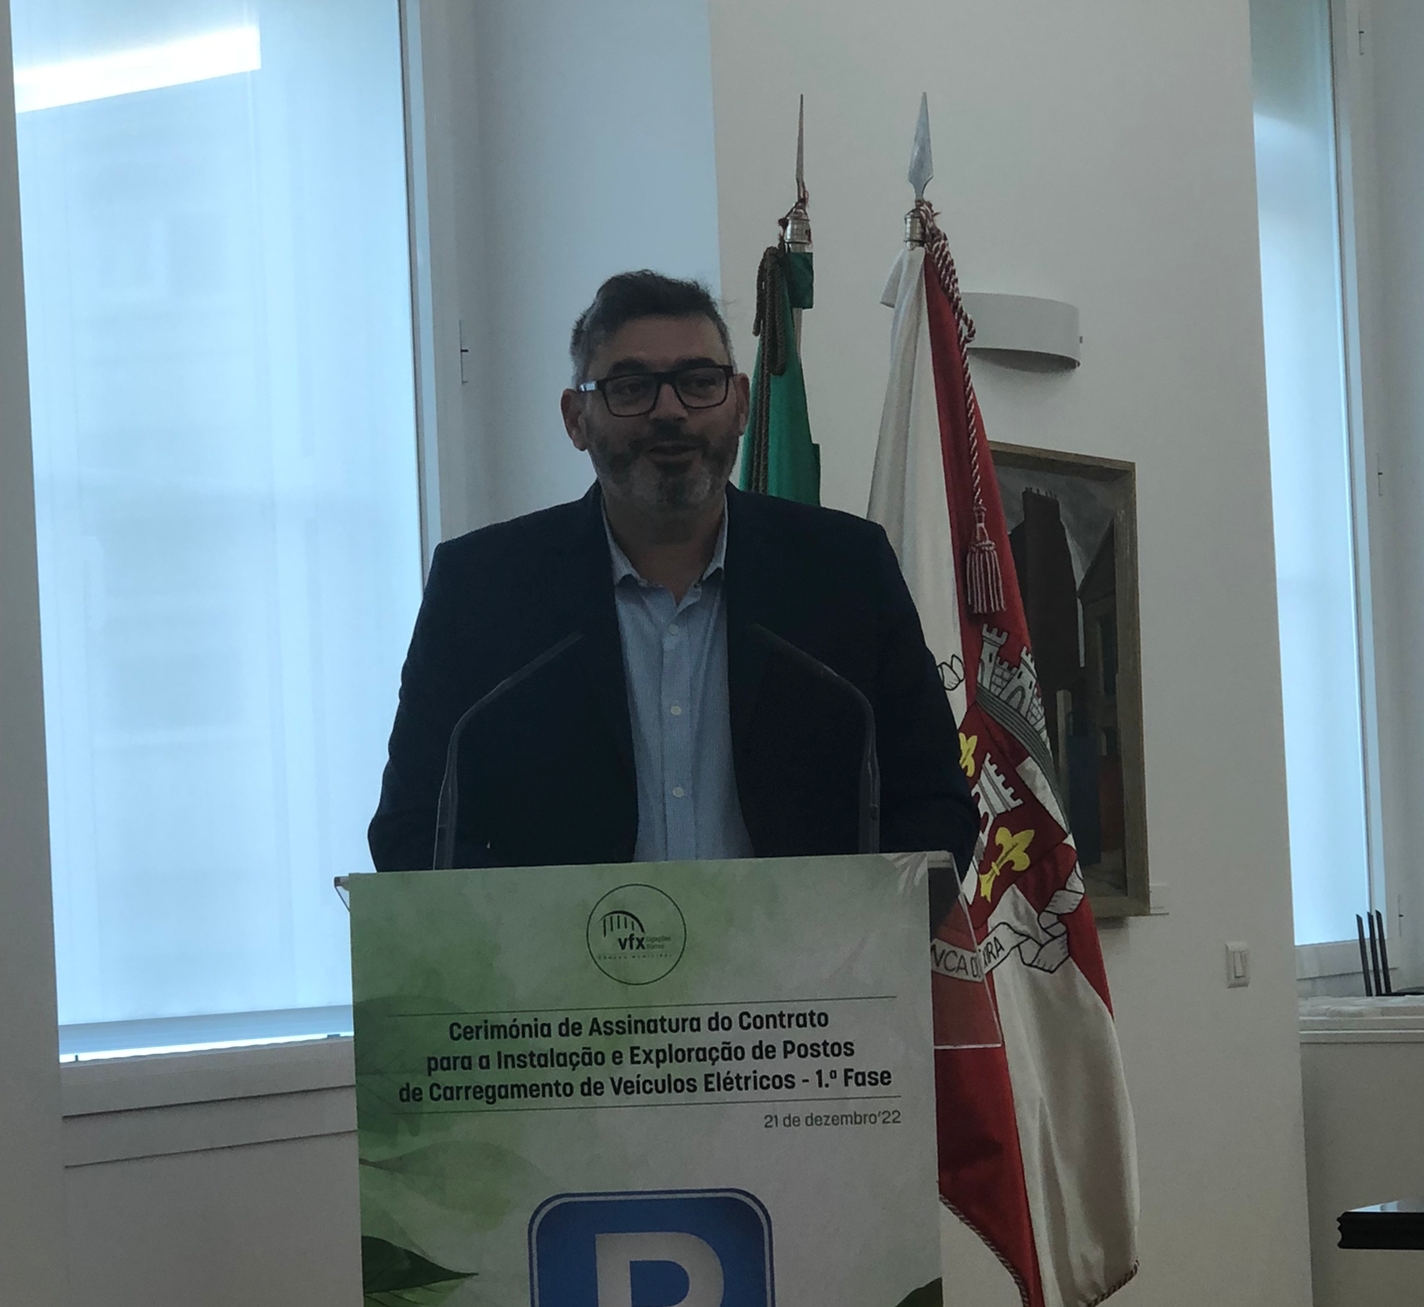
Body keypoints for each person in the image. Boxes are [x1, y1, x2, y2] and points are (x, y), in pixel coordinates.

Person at [368, 269, 978, 875]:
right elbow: (415, 830)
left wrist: (851, 924)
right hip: (552, 944)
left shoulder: (845, 572)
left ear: (741, 403)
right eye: (632, 387)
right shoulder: (482, 590)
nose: (670, 410)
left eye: (699, 382)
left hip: (811, 942)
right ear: (576, 418)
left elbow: (934, 808)